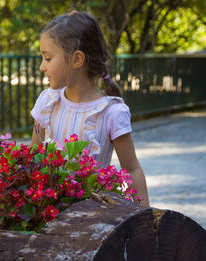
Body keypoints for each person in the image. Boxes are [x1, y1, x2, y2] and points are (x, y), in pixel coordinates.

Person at [30, 11, 150, 207]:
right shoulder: (47, 103)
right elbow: (33, 159)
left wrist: (146, 220)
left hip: (92, 218)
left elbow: (132, 169)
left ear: (77, 59)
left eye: (48, 58)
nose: (42, 66)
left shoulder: (110, 112)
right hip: (49, 214)